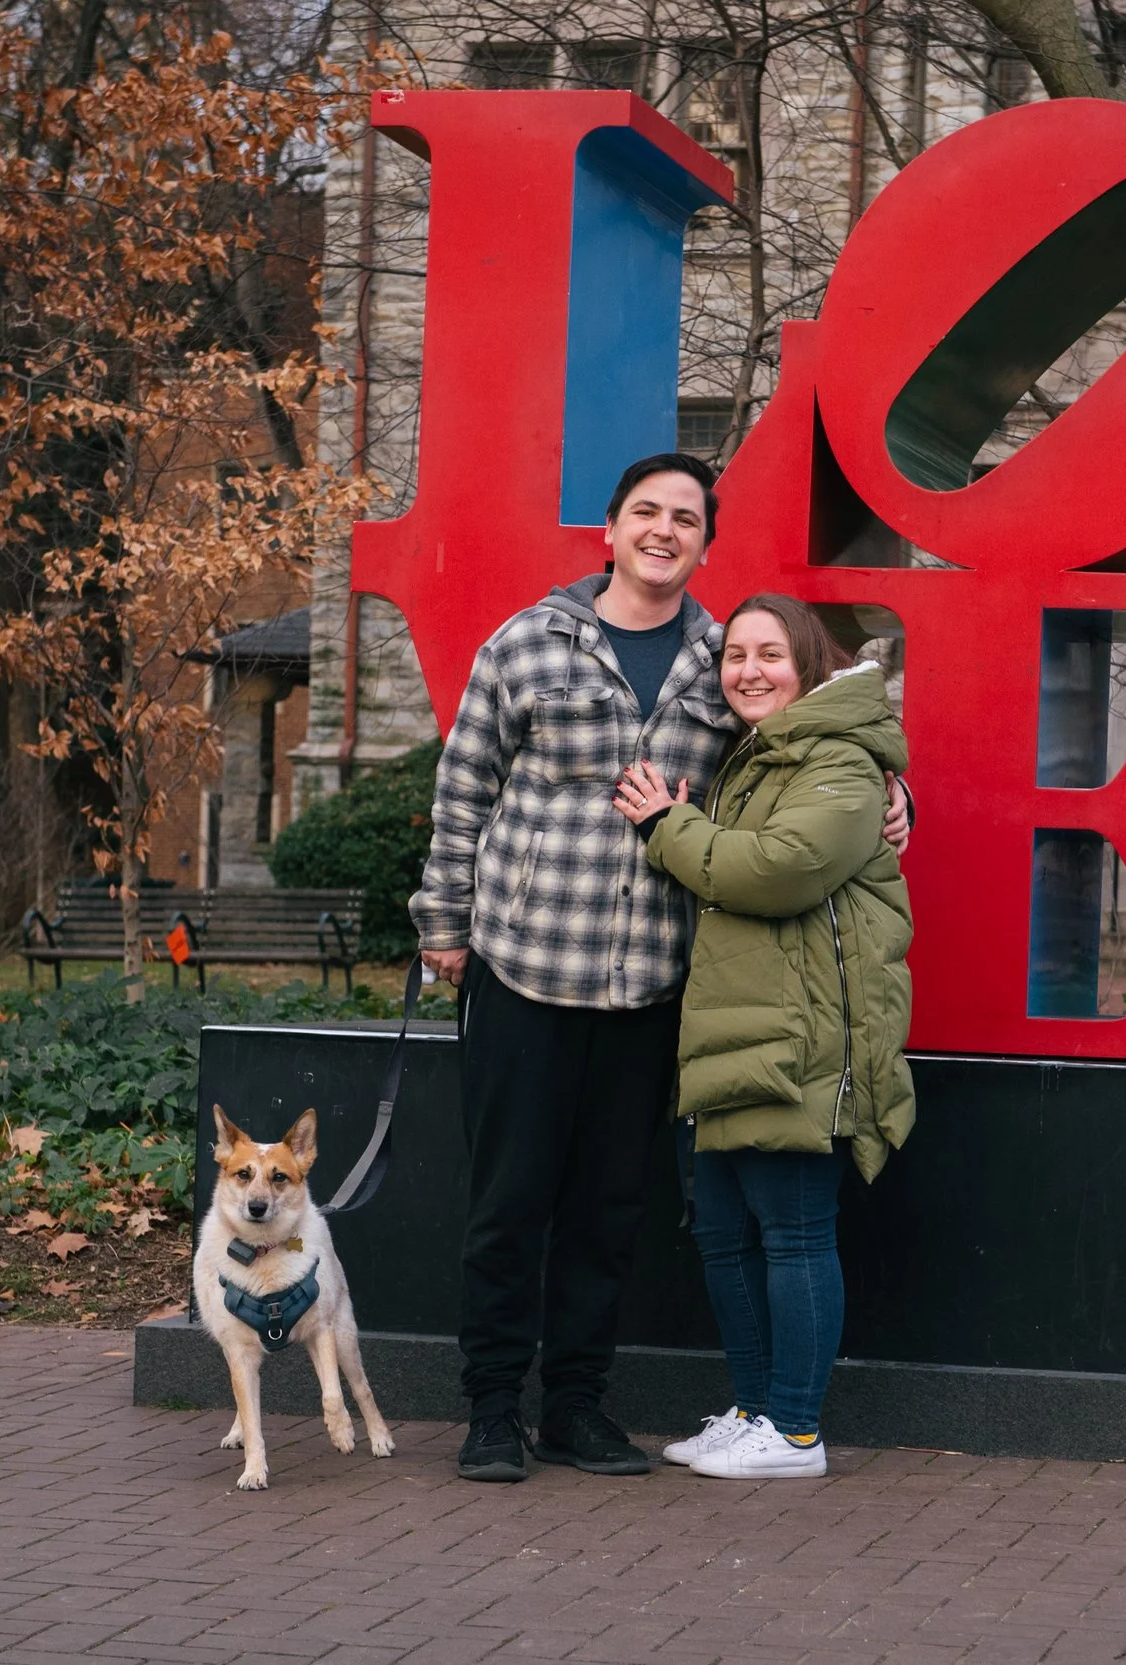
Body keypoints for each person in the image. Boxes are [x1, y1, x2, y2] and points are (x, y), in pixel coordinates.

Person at [410, 454, 910, 1483]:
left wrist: (898, 798)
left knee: (608, 1213)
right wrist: (442, 925)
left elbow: (805, 747)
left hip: (652, 986)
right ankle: (493, 1410)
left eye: (685, 518)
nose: (664, 529)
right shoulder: (529, 641)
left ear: (704, 544)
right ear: (608, 530)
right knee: (508, 1207)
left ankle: (578, 1409)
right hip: (523, 967)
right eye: (646, 511)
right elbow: (461, 789)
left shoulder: (716, 659)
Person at [611, 593, 915, 1480]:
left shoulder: (842, 760)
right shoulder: (758, 755)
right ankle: (753, 1409)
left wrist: (667, 825)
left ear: (810, 664)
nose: (748, 670)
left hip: (804, 1040)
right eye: (734, 654)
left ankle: (794, 1431)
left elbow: (780, 870)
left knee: (792, 1233)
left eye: (770, 654)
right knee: (722, 1233)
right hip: (734, 1031)